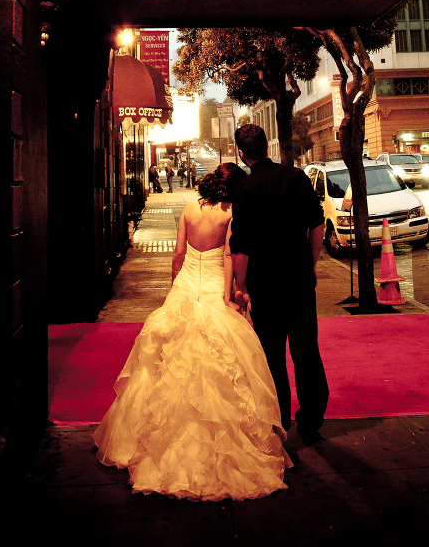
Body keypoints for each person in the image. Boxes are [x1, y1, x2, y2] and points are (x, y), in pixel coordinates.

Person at [95, 161, 290, 500]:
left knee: (167, 356)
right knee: (225, 354)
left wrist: (175, 288)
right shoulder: (231, 213)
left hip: (186, 284)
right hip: (214, 284)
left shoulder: (188, 208)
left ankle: (151, 441)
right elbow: (229, 256)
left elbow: (178, 253)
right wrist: (231, 294)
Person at [230, 124, 329, 443]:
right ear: (266, 147)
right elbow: (318, 224)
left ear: (242, 154)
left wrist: (242, 287)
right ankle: (312, 419)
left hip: (265, 284)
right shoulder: (297, 177)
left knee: (271, 354)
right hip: (299, 279)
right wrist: (310, 263)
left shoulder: (245, 189)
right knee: (306, 349)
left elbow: (241, 246)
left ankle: (280, 419)